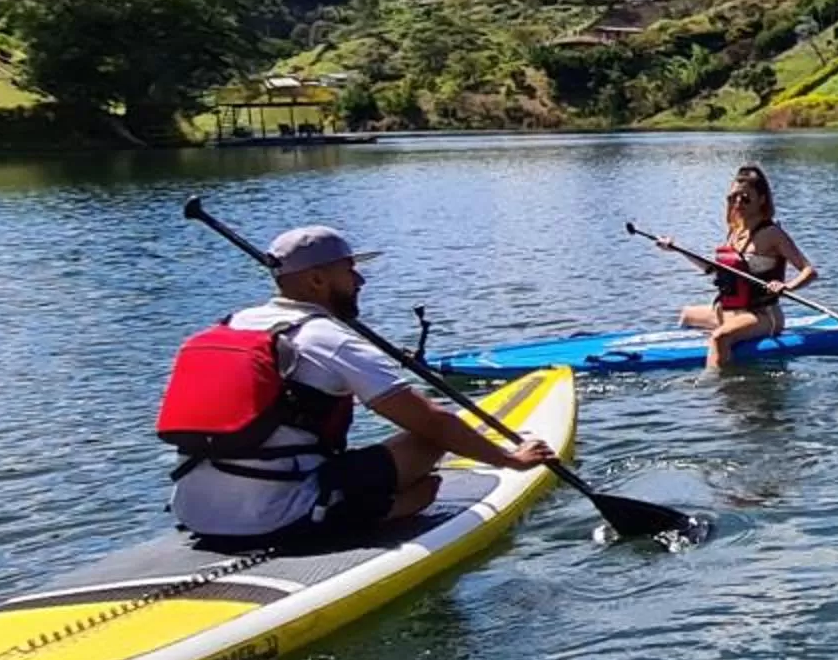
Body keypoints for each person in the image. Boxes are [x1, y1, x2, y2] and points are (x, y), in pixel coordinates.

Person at [160, 226, 553, 546]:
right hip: (277, 516)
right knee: (429, 456)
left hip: (193, 512)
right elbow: (432, 422)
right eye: (349, 271)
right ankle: (374, 510)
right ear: (317, 280)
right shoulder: (325, 337)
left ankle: (360, 502)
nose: (360, 280)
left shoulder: (231, 324)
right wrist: (511, 459)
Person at [655, 165, 821, 370]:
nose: (738, 203)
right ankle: (707, 356)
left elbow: (809, 271)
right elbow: (713, 269)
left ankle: (715, 381)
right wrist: (676, 249)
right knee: (687, 315)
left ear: (762, 200)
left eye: (745, 198)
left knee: (720, 337)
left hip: (762, 315)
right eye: (733, 197)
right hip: (729, 312)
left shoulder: (772, 234)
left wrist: (787, 286)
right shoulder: (735, 230)